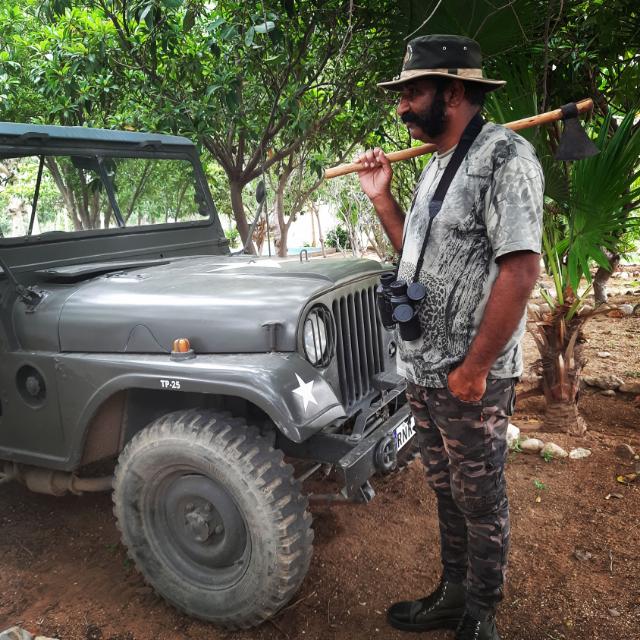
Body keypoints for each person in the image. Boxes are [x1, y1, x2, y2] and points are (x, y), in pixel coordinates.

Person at [356, 35, 544, 640]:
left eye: (412, 92)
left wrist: (475, 368)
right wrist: (382, 198)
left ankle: (481, 615)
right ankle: (453, 592)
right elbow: (415, 257)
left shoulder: (505, 158)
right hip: (423, 370)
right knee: (446, 489)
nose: (401, 106)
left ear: (454, 91)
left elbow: (520, 269)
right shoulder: (435, 165)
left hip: (470, 378)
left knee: (481, 499)